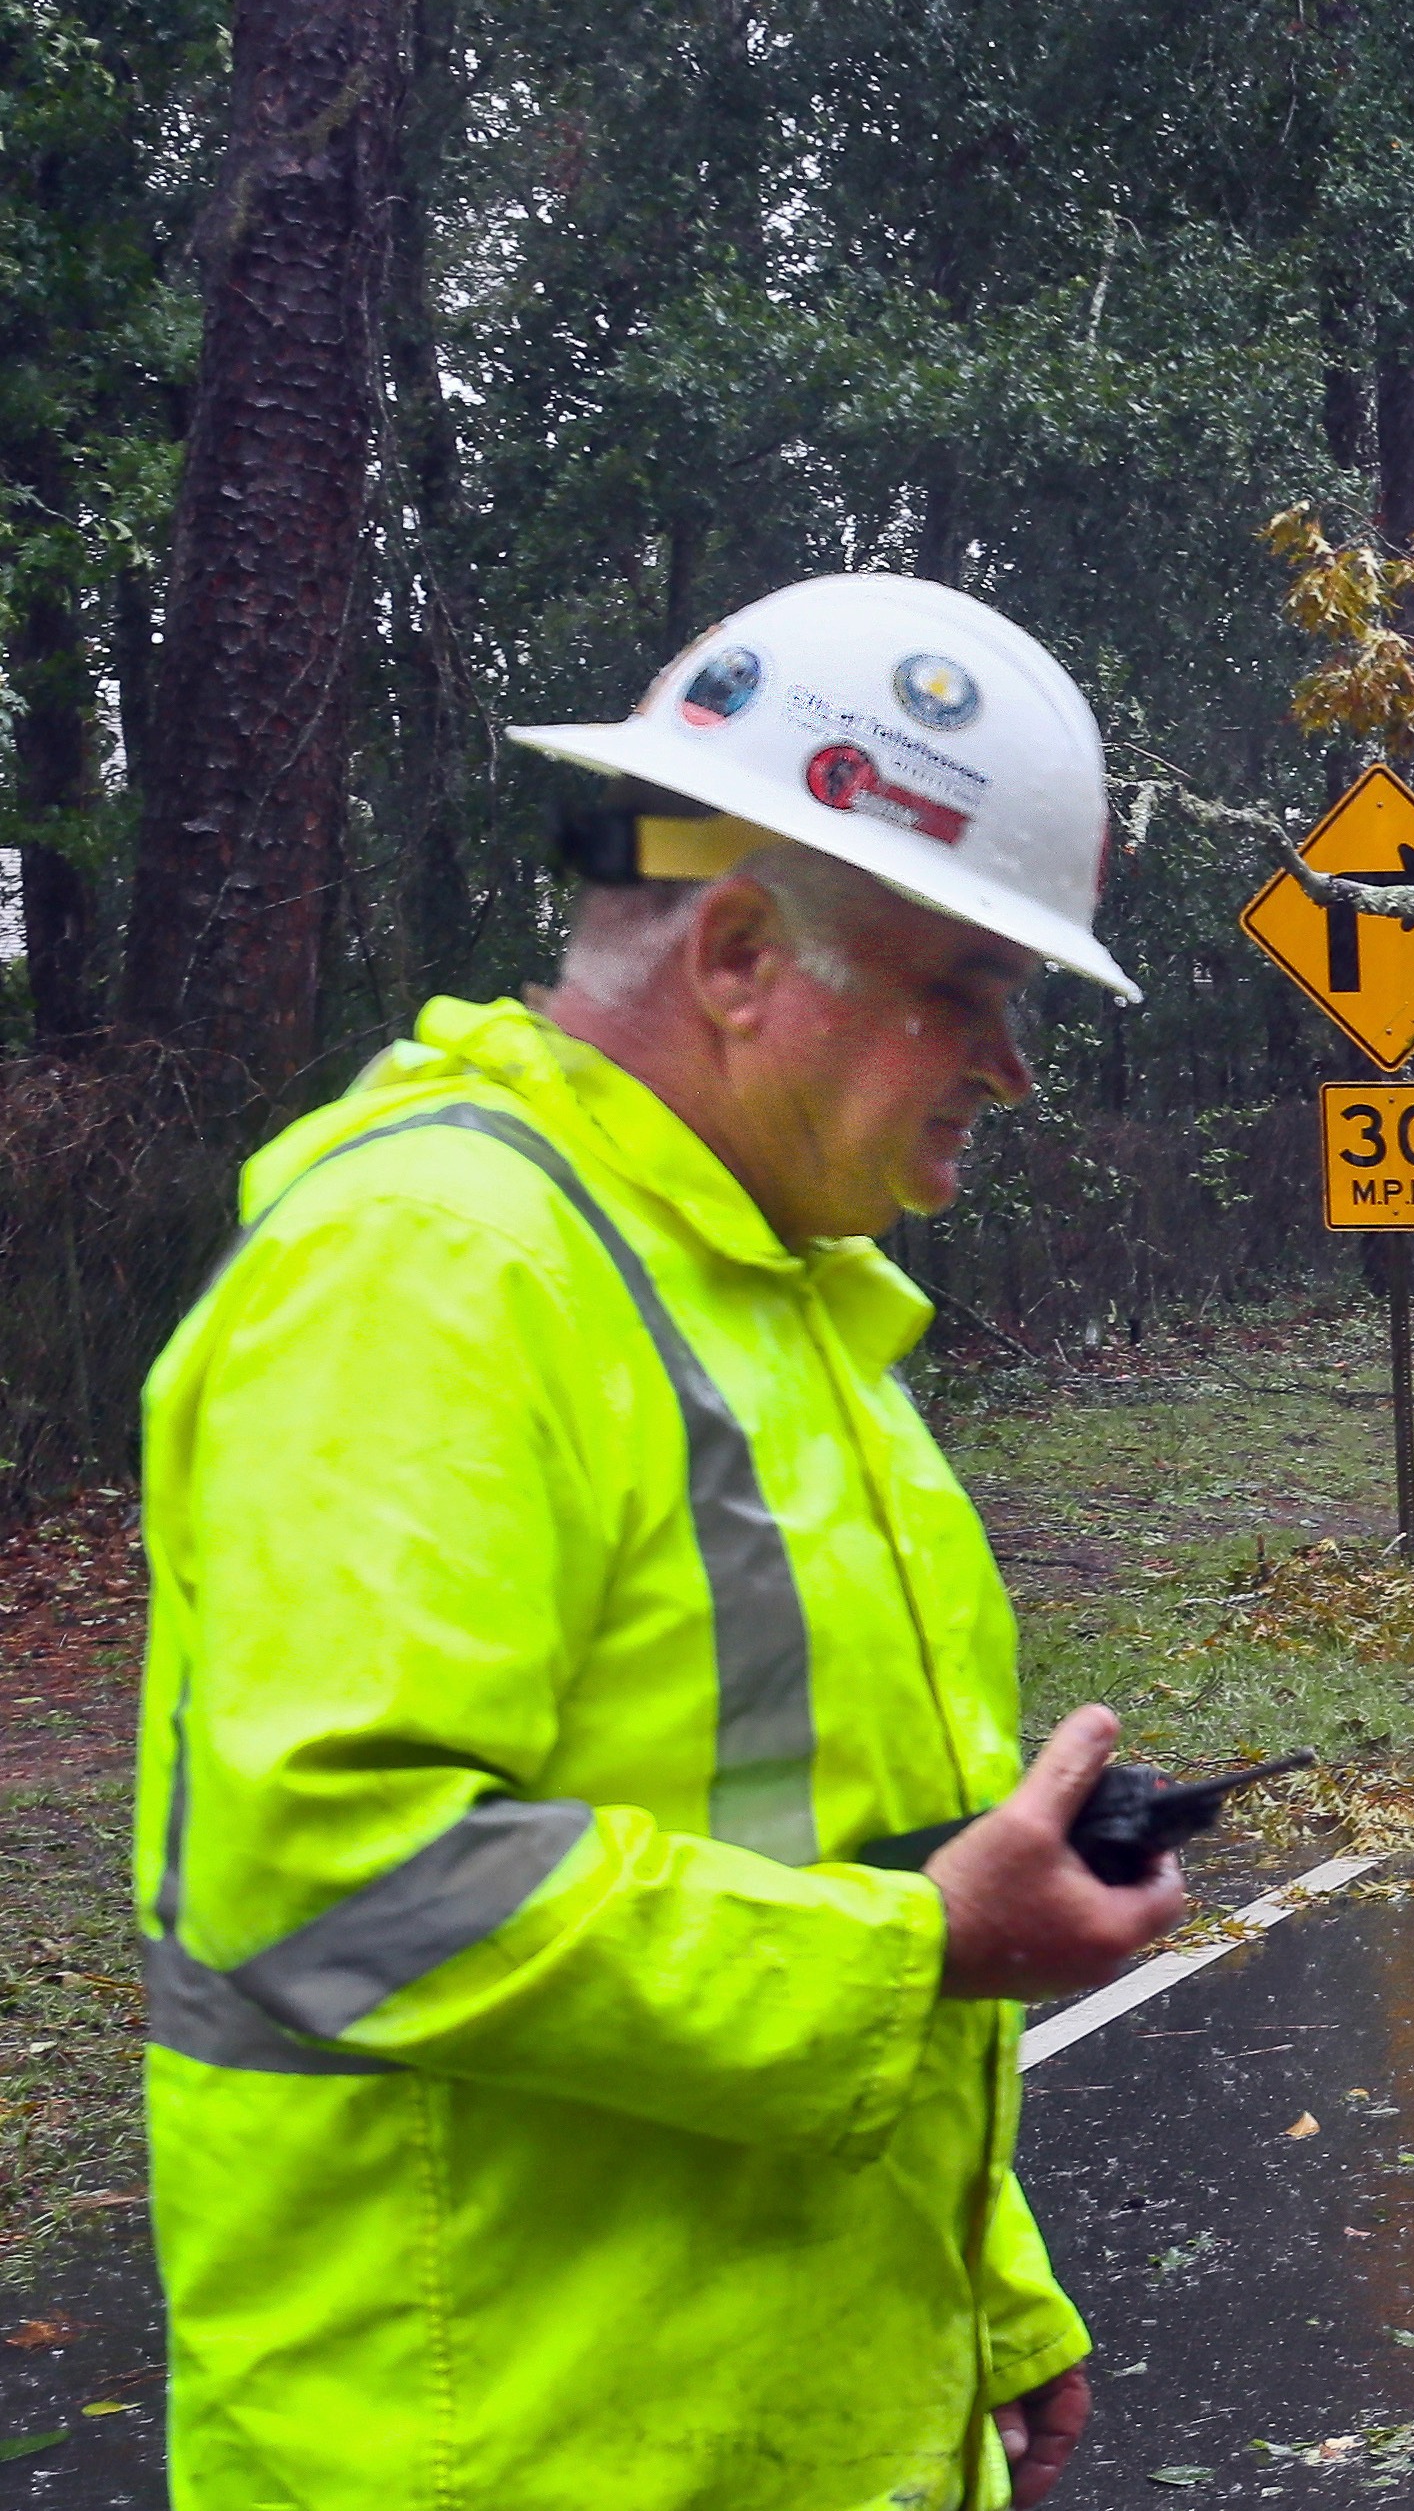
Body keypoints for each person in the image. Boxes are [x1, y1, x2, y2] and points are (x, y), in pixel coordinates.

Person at [135, 573, 1189, 2507]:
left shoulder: (771, 1298)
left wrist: (990, 2299)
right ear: (730, 952)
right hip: (494, 2451)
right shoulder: (435, 1271)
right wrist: (922, 1950)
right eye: (972, 988)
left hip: (766, 2424)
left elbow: (833, 1853)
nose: (1009, 1067)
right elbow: (338, 1880)